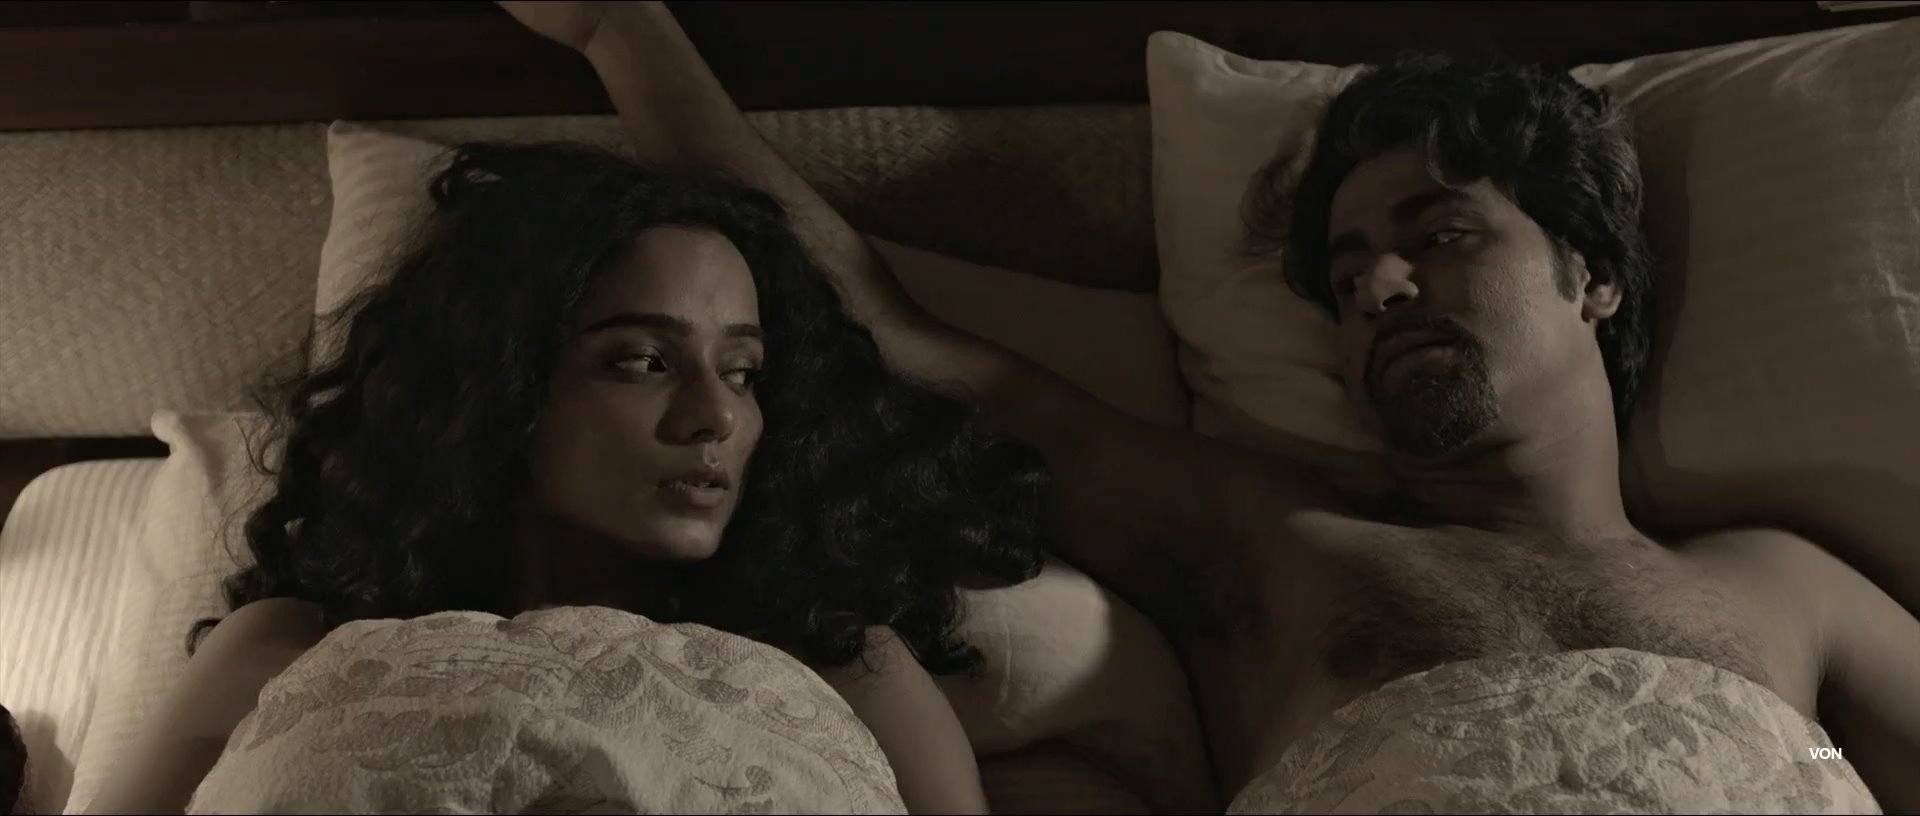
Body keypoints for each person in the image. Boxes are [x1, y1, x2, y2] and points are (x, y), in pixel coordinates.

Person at [501, 2, 1920, 812]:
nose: (1380, 287)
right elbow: (890, 340)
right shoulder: (1274, 545)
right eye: (1346, 275)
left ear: (1591, 273)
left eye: (1438, 235)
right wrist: (623, 30)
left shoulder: (1788, 588)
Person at [87, 144, 1049, 813]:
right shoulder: (287, 650)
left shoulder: (844, 662)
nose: (715, 417)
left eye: (743, 371)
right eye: (644, 361)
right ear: (499, 385)